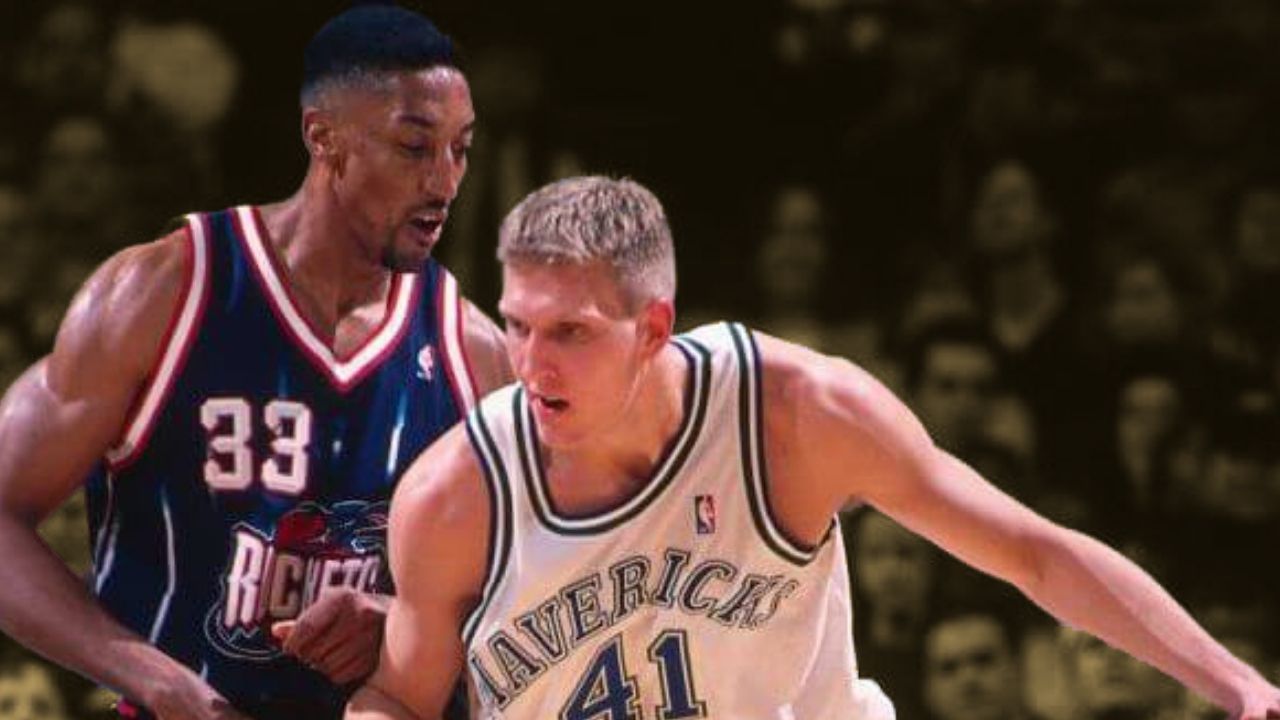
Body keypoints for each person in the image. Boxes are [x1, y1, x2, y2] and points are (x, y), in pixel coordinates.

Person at [346, 176, 1280, 719]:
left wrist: (1238, 686)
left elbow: (1032, 553)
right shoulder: (457, 494)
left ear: (654, 327)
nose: (531, 363)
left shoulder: (795, 415)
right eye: (518, 325)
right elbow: (397, 699)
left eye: (570, 333)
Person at [0, 6, 512, 720]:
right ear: (323, 138)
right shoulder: (165, 291)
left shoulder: (474, 351)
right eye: (414, 146)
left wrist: (402, 622)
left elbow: (530, 590)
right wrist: (154, 678)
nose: (445, 181)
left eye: (461, 149)